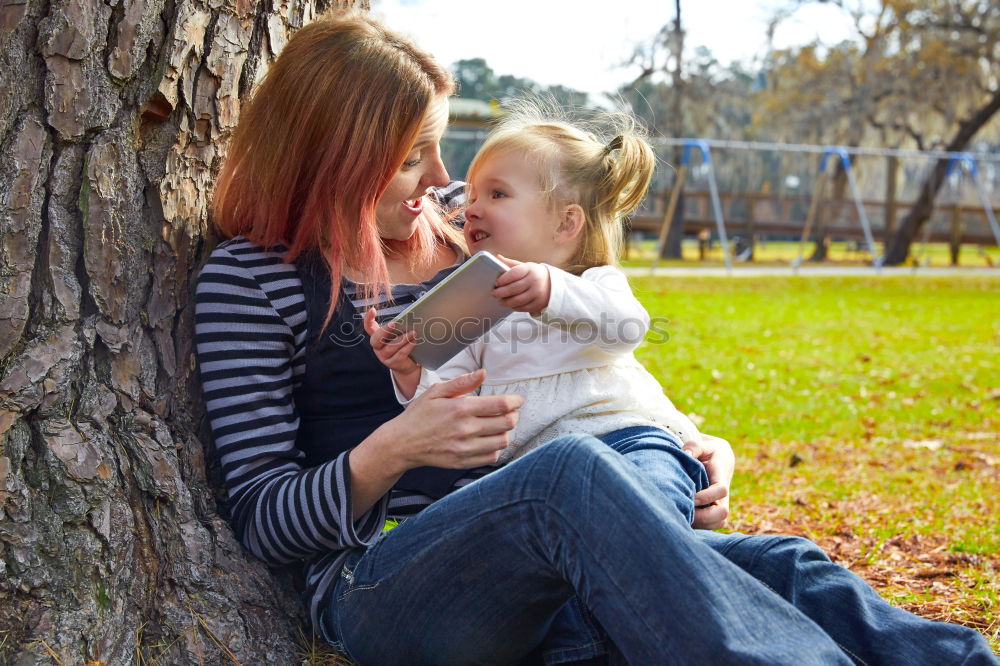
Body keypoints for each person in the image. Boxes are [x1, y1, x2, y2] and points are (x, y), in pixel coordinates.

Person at [194, 7, 998, 665]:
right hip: (386, 583)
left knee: (782, 566)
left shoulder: (462, 241)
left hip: (552, 565)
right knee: (565, 474)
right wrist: (396, 448)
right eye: (413, 157)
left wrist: (687, 438)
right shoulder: (255, 278)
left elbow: (583, 347)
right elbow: (265, 518)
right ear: (338, 158)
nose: (442, 177)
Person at [367, 104, 709, 526]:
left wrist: (552, 289)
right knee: (586, 568)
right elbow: (454, 397)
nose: (471, 208)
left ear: (566, 223)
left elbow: (629, 327)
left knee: (644, 524)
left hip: (628, 443)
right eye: (472, 195)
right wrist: (410, 370)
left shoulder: (591, 281)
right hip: (537, 479)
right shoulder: (470, 300)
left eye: (497, 194)